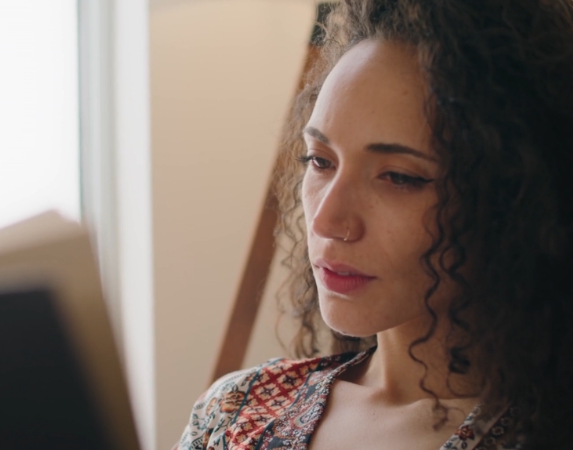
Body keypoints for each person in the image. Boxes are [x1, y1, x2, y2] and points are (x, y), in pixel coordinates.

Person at [175, 0, 573, 449]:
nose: (327, 220)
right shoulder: (233, 414)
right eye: (320, 161)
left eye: (399, 178)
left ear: (516, 199)